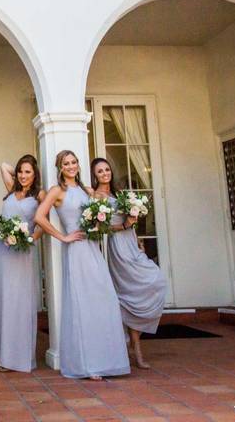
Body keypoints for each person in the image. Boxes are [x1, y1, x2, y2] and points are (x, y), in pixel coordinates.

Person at [33, 151, 129, 380]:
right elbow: (39, 216)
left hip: (93, 248)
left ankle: (106, 360)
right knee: (82, 302)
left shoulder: (87, 190)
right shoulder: (57, 191)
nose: (71, 166)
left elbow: (103, 213)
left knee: (102, 300)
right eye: (66, 164)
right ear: (60, 167)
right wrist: (63, 236)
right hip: (76, 250)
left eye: (74, 162)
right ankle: (87, 364)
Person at [91, 157, 167, 369]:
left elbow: (130, 222)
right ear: (94, 175)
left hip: (132, 244)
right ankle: (135, 347)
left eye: (107, 169)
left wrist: (136, 238)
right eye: (100, 171)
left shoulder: (117, 193)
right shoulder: (97, 196)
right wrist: (124, 225)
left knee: (156, 282)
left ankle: (134, 343)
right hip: (118, 248)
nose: (105, 173)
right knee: (130, 292)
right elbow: (102, 227)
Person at [0, 155, 44, 372]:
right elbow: (3, 165)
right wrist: (20, 173)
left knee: (18, 301)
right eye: (20, 171)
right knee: (3, 299)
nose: (22, 175)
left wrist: (29, 239)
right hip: (1, 251)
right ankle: (4, 352)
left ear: (35, 174)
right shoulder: (12, 188)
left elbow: (40, 225)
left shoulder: (40, 195)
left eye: (28, 171)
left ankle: (18, 357)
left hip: (22, 252)